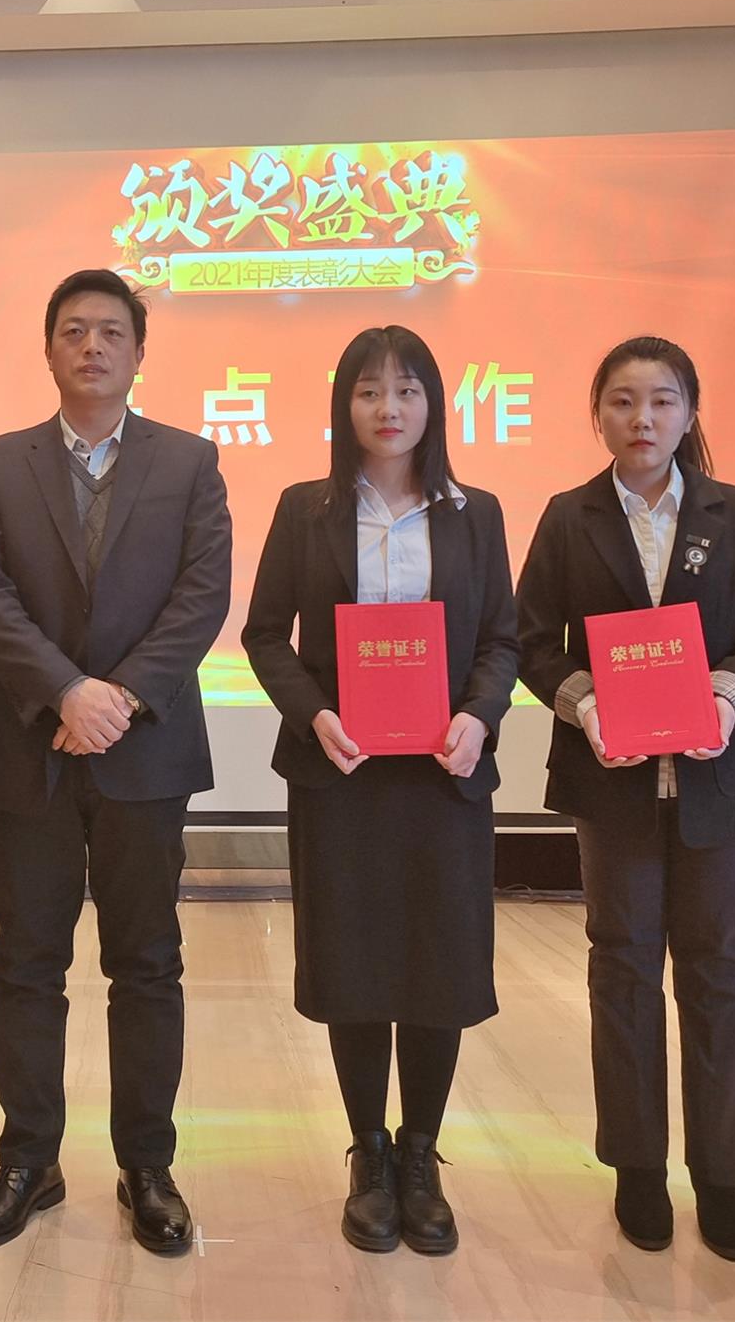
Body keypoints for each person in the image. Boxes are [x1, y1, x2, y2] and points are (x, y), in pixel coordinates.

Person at [516, 335, 735, 1262]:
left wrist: (726, 695)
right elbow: (531, 641)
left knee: (717, 966)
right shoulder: (568, 517)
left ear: (688, 413)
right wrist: (586, 703)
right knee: (622, 964)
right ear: (596, 414)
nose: (640, 418)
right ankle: (636, 1165)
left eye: (660, 400)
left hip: (718, 777)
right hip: (612, 782)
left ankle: (720, 1175)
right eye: (621, 401)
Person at [0, 269, 231, 1254]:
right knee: (25, 962)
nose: (92, 347)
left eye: (111, 332)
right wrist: (66, 690)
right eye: (72, 331)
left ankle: (146, 1164)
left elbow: (201, 595)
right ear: (48, 349)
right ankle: (28, 1160)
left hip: (145, 752)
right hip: (27, 747)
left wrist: (118, 698)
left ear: (139, 351)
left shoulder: (189, 461)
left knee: (146, 964)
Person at [240, 327, 516, 1255]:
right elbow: (265, 633)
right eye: (367, 391)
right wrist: (314, 713)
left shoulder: (476, 513)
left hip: (443, 774)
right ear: (343, 405)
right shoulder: (305, 508)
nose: (387, 408)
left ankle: (421, 1153)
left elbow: (502, 638)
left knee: (439, 963)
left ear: (434, 402)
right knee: (352, 960)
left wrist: (478, 714)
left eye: (406, 390)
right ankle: (367, 1149)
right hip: (342, 771)